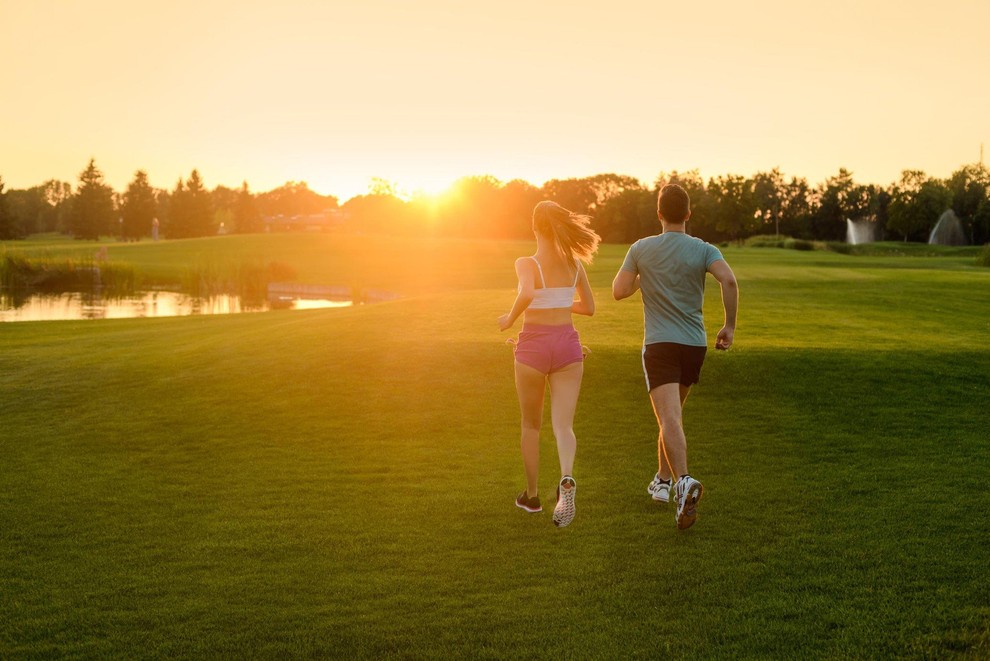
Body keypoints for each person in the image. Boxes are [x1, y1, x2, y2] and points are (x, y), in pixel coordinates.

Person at [612, 184, 738, 530]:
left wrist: (642, 274)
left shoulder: (641, 248)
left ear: (658, 214)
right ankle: (662, 482)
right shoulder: (704, 249)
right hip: (694, 346)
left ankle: (683, 481)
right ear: (688, 214)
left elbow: (619, 291)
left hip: (660, 345)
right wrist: (729, 326)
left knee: (669, 419)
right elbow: (728, 281)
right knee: (673, 416)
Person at [498, 201, 600, 528]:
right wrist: (558, 300)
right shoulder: (575, 265)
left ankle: (531, 497)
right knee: (563, 426)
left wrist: (509, 318)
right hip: (568, 346)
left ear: (534, 227)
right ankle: (566, 478)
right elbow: (589, 308)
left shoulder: (526, 262)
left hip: (532, 346)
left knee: (531, 425)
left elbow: (527, 292)